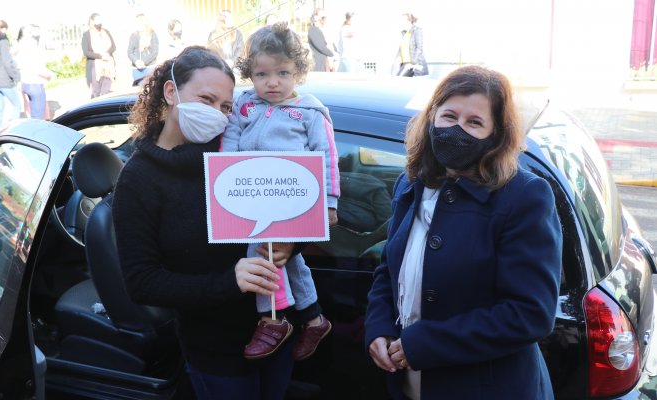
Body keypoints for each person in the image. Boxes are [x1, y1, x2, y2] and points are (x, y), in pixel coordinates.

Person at [364, 65, 562, 399]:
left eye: (474, 122)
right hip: (408, 383)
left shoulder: (524, 196)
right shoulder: (411, 182)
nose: (458, 129)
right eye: (449, 116)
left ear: (496, 134)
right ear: (431, 118)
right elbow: (389, 269)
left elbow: (530, 313)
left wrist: (426, 343)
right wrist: (379, 327)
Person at [113, 45, 298, 400]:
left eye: (226, 106)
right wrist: (230, 281)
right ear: (171, 92)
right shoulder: (138, 180)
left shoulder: (238, 153)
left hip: (278, 332)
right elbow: (143, 283)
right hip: (216, 351)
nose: (217, 114)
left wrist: (291, 244)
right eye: (206, 99)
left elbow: (288, 208)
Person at [224, 22, 339, 361]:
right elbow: (228, 147)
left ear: (299, 71)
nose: (272, 82)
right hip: (251, 195)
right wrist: (225, 187)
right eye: (261, 74)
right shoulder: (243, 106)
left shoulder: (310, 112)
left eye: (282, 72)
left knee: (262, 252)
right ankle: (314, 318)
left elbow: (327, 157)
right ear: (250, 75)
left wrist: (329, 203)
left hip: (294, 198)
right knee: (290, 258)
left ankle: (272, 318)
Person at [15, 24, 54, 120]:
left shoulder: (19, 47)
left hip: (25, 83)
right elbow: (37, 68)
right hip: (35, 84)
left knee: (33, 113)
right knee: (38, 117)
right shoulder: (31, 47)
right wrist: (50, 75)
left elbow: (18, 66)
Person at [82, 13, 117, 98]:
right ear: (92, 21)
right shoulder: (87, 34)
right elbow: (86, 52)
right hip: (95, 67)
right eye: (97, 19)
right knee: (96, 92)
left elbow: (113, 46)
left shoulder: (106, 32)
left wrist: (107, 54)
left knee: (106, 91)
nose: (99, 21)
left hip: (108, 65)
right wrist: (101, 56)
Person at [127, 13, 159, 86]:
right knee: (140, 92)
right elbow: (130, 52)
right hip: (137, 70)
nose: (137, 25)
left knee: (150, 90)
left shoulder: (152, 34)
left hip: (149, 68)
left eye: (138, 22)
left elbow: (155, 52)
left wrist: (144, 62)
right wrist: (136, 61)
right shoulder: (134, 35)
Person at [394, 12, 428, 77]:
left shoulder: (417, 30)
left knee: (401, 79)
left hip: (412, 64)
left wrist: (413, 62)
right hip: (403, 63)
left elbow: (419, 47)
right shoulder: (404, 33)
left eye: (402, 20)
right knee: (399, 79)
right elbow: (401, 49)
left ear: (409, 20)